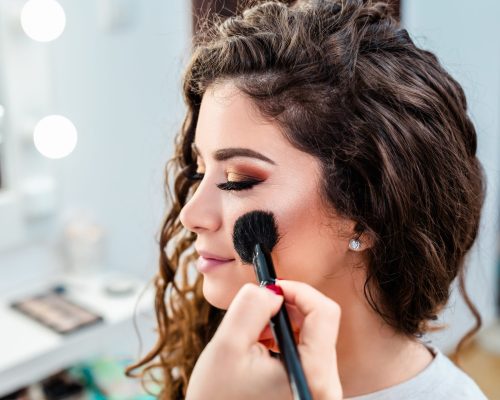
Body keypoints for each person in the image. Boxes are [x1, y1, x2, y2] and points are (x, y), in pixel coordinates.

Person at [125, 0, 488, 398]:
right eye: (198, 171)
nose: (191, 215)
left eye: (238, 180)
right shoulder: (226, 371)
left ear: (364, 214)